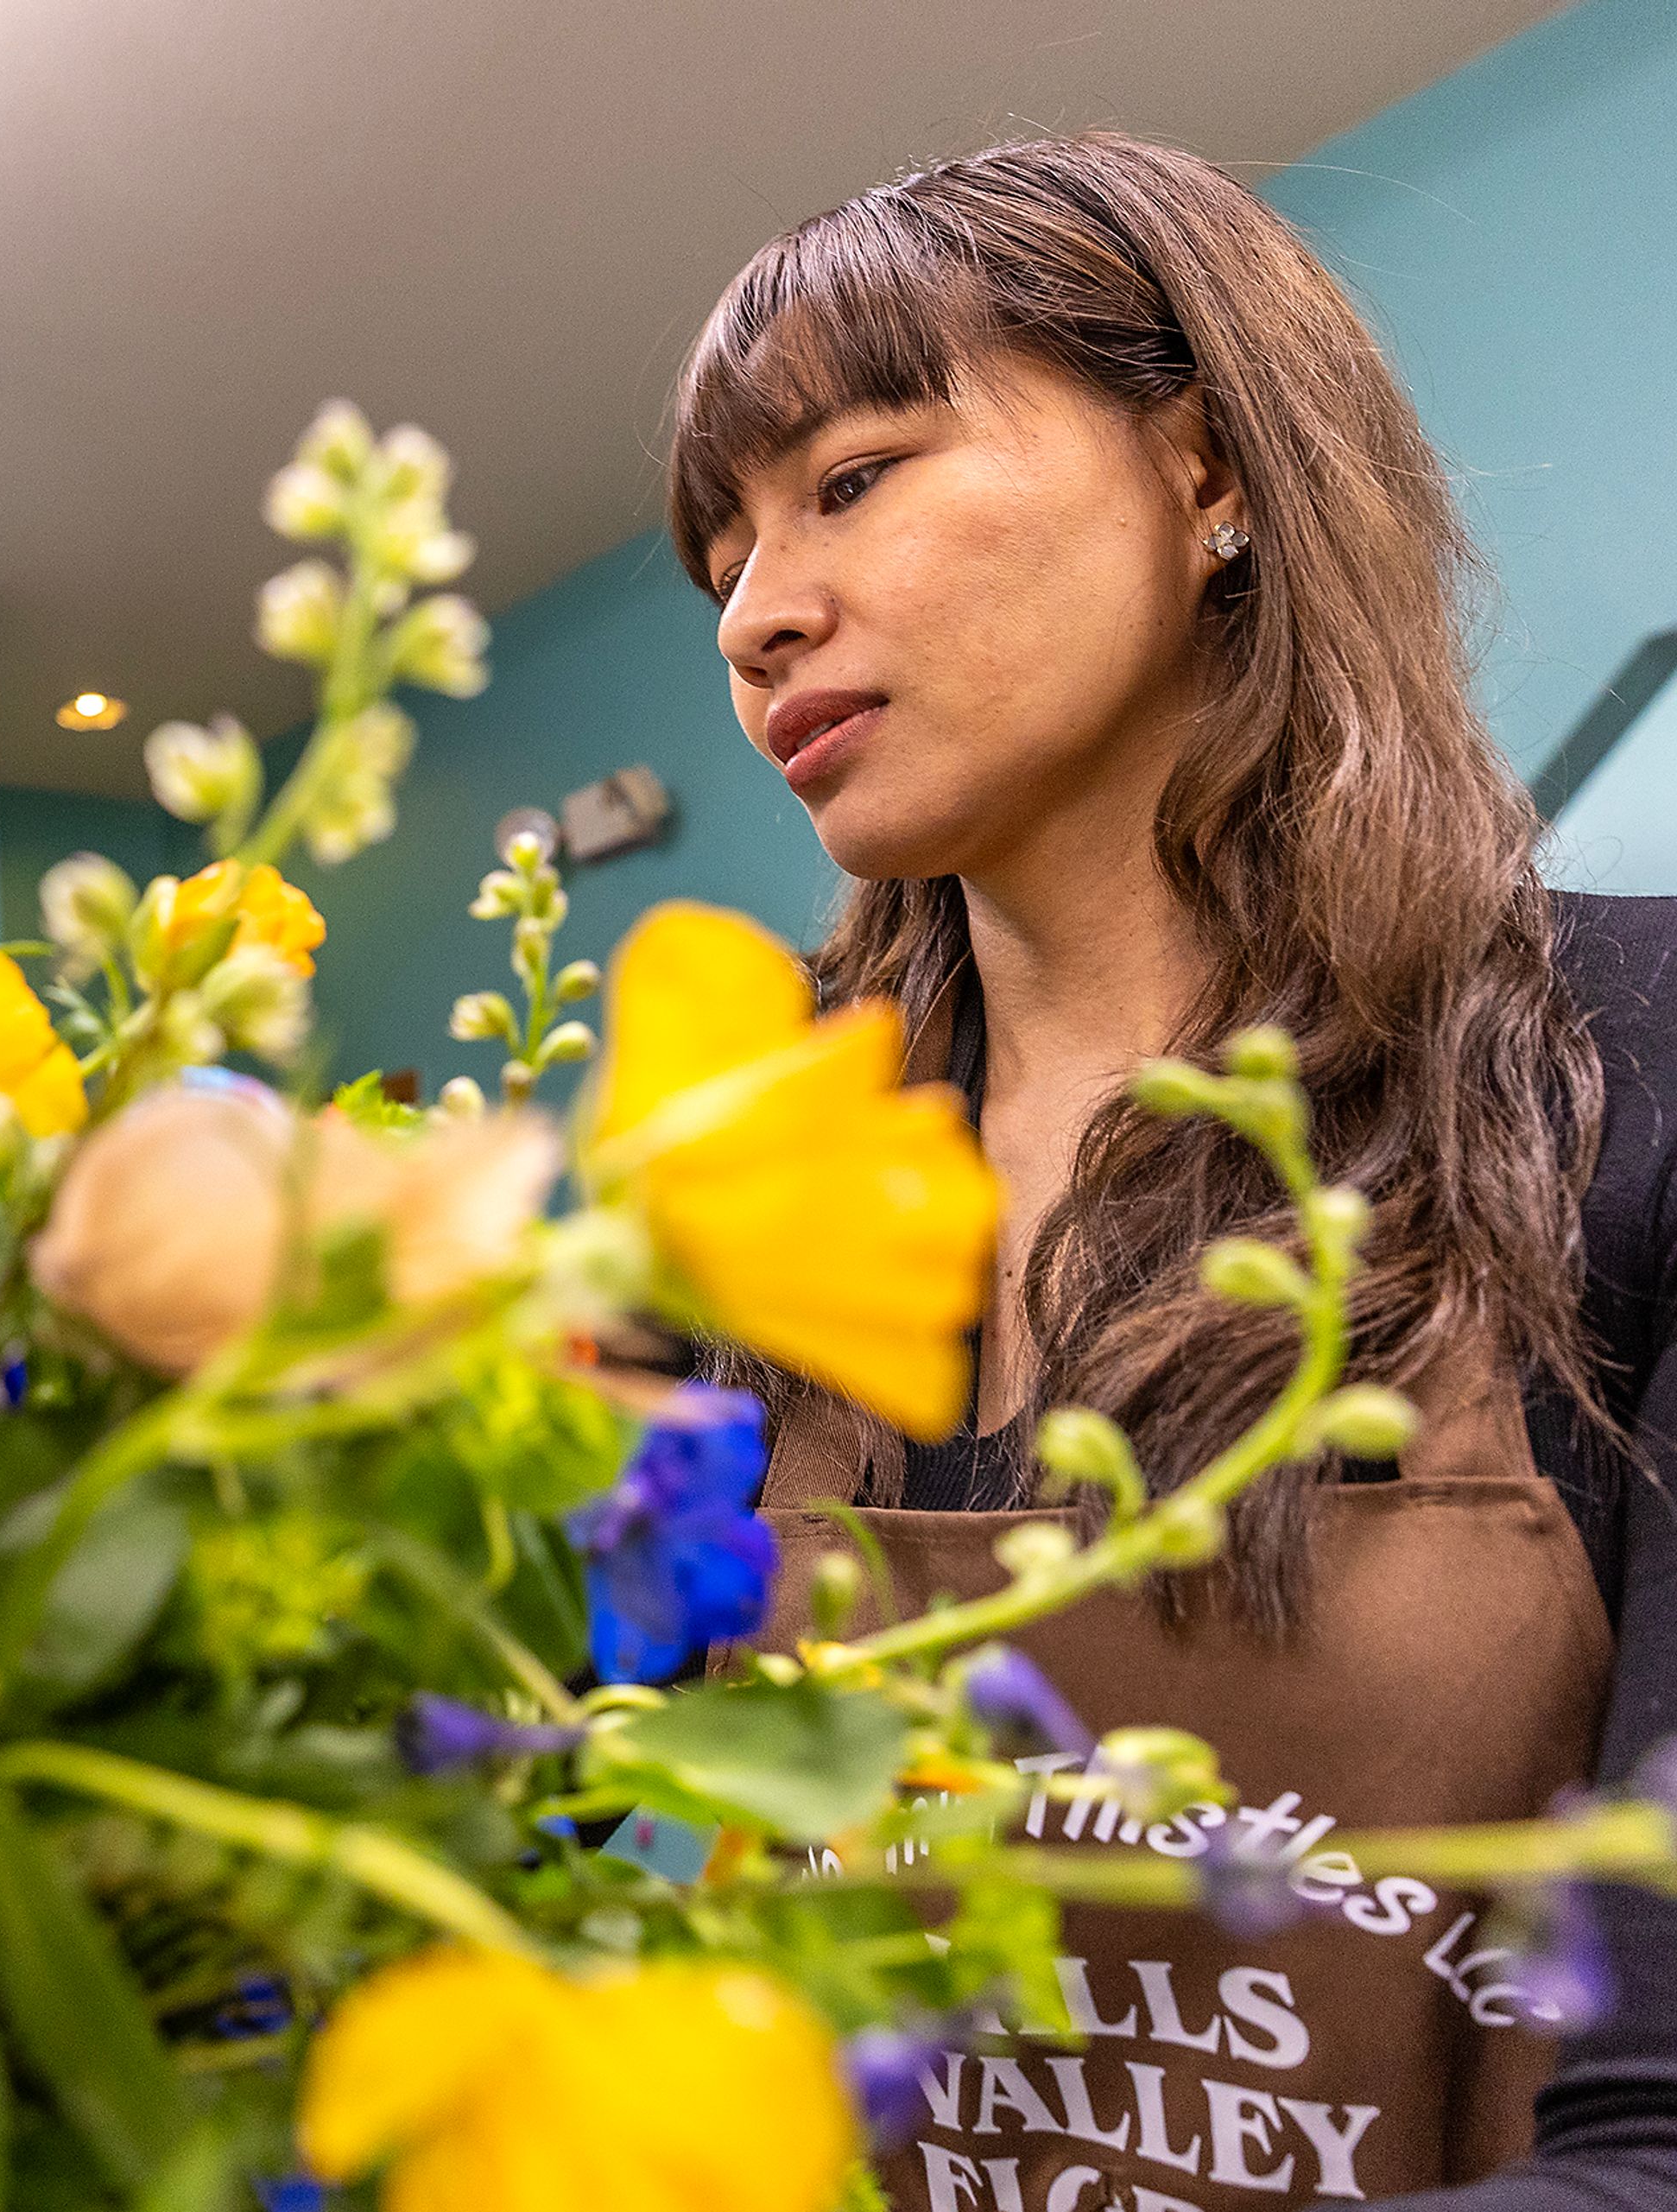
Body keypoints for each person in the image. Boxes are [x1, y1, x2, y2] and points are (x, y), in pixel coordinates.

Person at [667, 133, 1677, 2210]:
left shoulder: (1638, 1074)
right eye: (723, 562)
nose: (761, 618)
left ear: (1206, 469)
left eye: (853, 476)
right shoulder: (738, 1195)